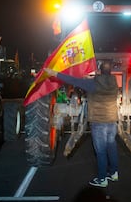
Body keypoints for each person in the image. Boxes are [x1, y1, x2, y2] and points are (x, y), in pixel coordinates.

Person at [45, 60, 119, 188]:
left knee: (100, 151)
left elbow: (73, 80)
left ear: (99, 71)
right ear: (110, 72)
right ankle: (114, 173)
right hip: (112, 121)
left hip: (98, 122)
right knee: (111, 147)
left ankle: (102, 179)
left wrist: (54, 73)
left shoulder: (93, 84)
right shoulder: (114, 83)